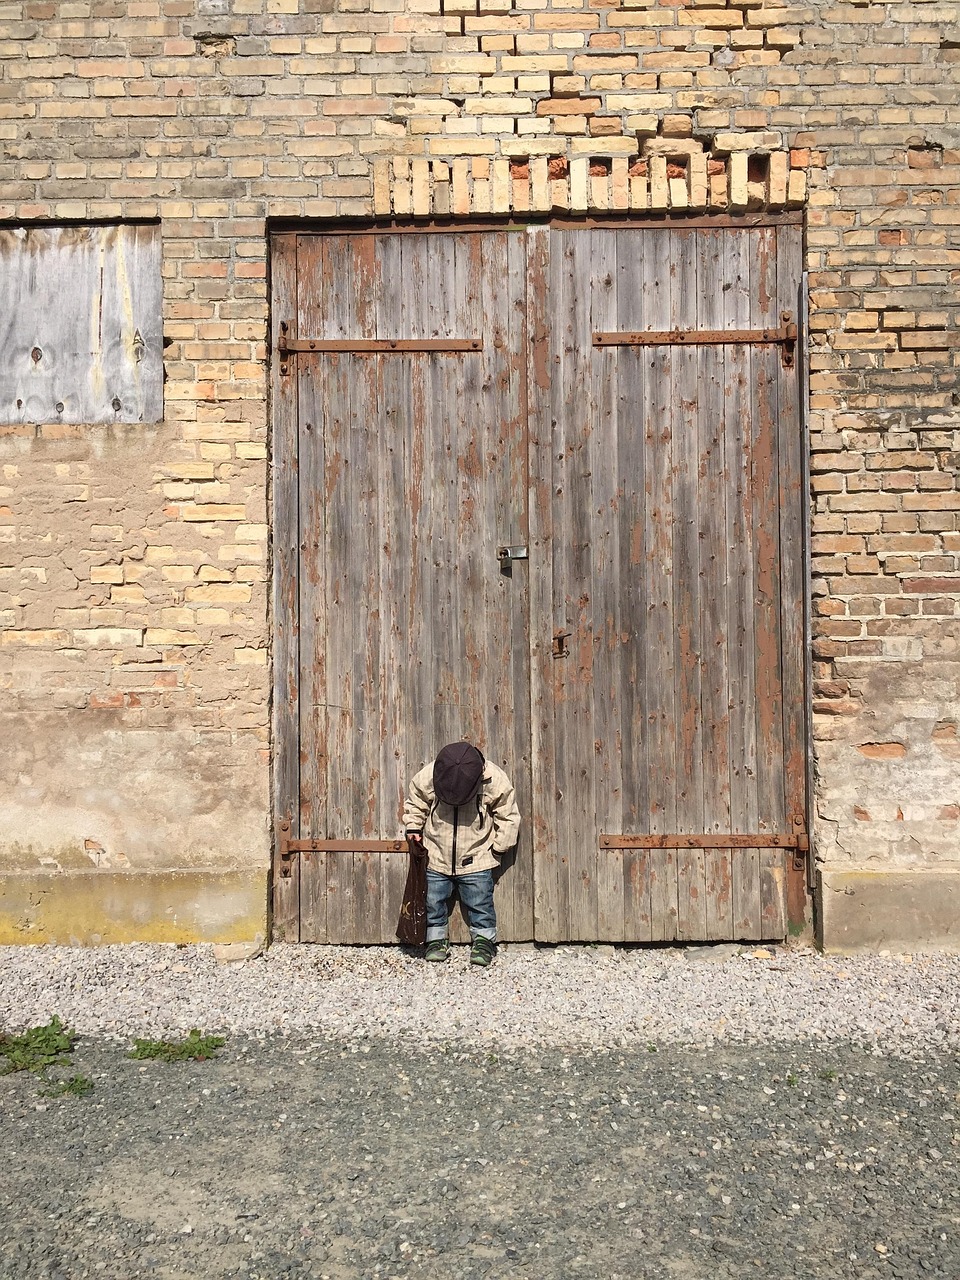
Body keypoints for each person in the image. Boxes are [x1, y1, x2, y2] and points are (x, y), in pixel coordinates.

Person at [402, 741, 520, 967]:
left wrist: (499, 847)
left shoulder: (493, 779)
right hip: (436, 852)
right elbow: (415, 802)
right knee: (432, 901)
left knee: (480, 902)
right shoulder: (430, 773)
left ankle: (484, 940)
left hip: (476, 855)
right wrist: (414, 828)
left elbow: (509, 815)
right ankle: (435, 940)